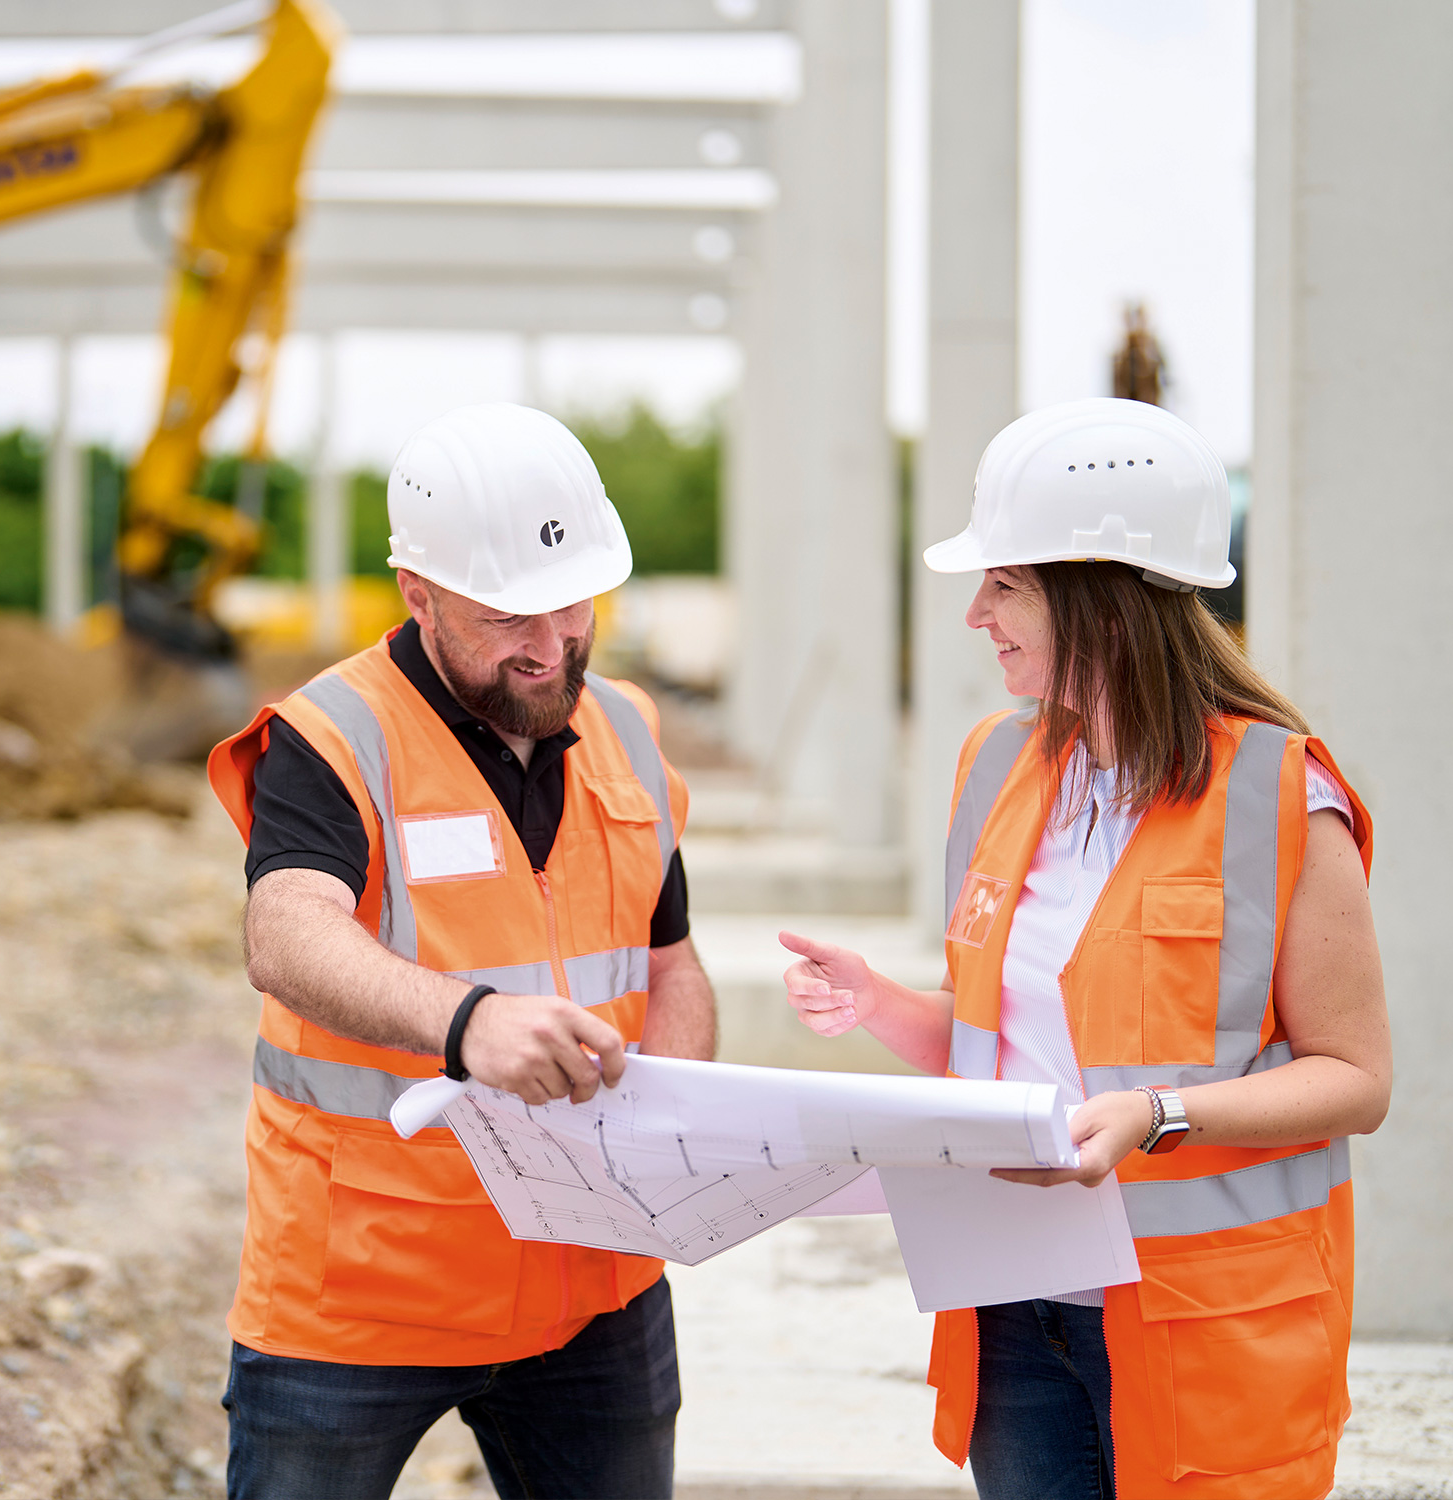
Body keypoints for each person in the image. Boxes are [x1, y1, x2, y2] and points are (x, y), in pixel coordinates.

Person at [781, 398, 1390, 1500]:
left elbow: (1355, 1081)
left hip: (1207, 1324)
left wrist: (1158, 1115)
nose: (975, 614)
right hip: (1016, 1310)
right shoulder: (992, 764)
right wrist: (878, 1000)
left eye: (1005, 583)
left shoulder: (1280, 796)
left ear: (1102, 598)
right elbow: (1000, 1040)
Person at [207, 403, 717, 1500]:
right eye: (508, 618)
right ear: (420, 595)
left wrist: (682, 1121)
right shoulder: (334, 733)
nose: (550, 645)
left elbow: (670, 964)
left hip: (598, 1285)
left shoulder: (626, 728)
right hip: (364, 1293)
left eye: (574, 603)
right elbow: (286, 931)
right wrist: (467, 1022)